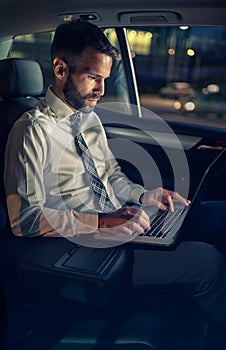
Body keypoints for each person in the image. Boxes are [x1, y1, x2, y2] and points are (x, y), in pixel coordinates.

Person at [4, 20, 226, 333]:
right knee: (207, 263)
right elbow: (24, 219)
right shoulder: (31, 131)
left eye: (105, 79)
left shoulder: (89, 119)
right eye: (93, 77)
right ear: (60, 69)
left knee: (215, 216)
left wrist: (143, 196)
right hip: (86, 244)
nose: (102, 89)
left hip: (119, 220)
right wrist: (101, 221)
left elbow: (111, 175)